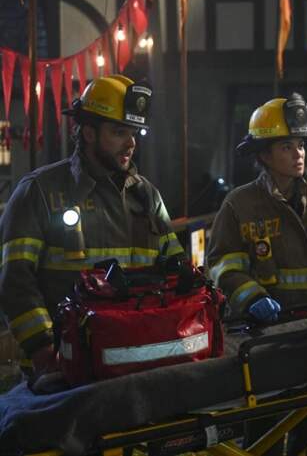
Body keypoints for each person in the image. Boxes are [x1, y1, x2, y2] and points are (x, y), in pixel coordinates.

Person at [207, 93, 307, 456]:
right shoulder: (240, 205)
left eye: (300, 145)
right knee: (265, 433)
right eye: (286, 146)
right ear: (263, 155)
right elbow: (222, 266)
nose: (298, 154)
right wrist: (252, 298)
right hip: (266, 341)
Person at [0, 74, 184, 376]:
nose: (131, 143)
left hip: (141, 362)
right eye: (119, 132)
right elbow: (14, 281)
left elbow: (176, 270)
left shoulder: (146, 197)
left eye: (134, 132)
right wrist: (43, 348)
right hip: (66, 370)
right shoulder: (40, 191)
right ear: (88, 132)